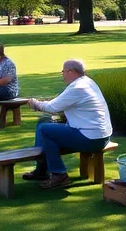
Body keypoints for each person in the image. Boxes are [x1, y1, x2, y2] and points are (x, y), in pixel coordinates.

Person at [23, 59, 113, 189]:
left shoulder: (77, 88)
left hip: (91, 138)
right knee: (44, 122)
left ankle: (59, 174)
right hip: (102, 136)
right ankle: (41, 169)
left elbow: (52, 107)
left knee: (45, 130)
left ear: (70, 72)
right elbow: (59, 103)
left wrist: (35, 103)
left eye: (63, 71)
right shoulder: (88, 82)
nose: (62, 75)